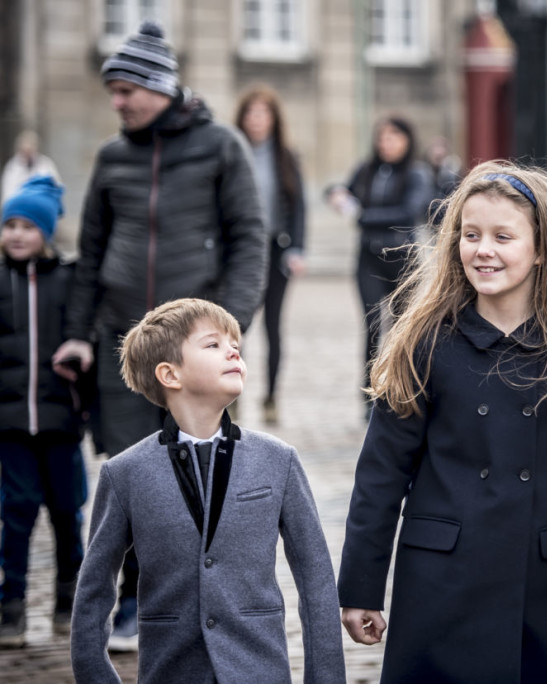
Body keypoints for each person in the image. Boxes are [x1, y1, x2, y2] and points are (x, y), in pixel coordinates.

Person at [337, 161, 547, 682]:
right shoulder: (424, 343)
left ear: (541, 249)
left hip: (545, 581)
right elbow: (380, 475)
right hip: (443, 578)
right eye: (471, 235)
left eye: (502, 236)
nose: (482, 249)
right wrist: (360, 587)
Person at [51, 20, 266, 651]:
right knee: (134, 476)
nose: (117, 102)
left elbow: (249, 242)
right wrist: (78, 335)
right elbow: (89, 253)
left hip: (195, 349)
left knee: (197, 475)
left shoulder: (220, 147)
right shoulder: (113, 157)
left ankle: (205, 605)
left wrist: (224, 330)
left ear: (161, 87)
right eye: (112, 92)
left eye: (126, 90)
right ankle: (134, 604)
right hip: (124, 345)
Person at [70, 298, 346, 682]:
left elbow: (316, 578)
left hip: (259, 669)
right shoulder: (125, 473)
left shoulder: (278, 460)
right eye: (213, 344)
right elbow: (93, 592)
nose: (233, 350)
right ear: (170, 374)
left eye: (235, 343)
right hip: (171, 670)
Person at [0, 177, 87, 647]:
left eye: (27, 226)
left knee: (66, 512)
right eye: (9, 224)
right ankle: (10, 603)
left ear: (46, 232)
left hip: (61, 423)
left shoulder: (69, 279)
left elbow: (86, 341)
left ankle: (67, 598)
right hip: (11, 425)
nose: (16, 234)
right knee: (15, 512)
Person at [325, 116, 432, 399]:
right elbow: (342, 190)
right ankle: (368, 390)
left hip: (402, 259)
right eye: (382, 138)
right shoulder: (367, 169)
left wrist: (362, 216)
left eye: (394, 138)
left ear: (407, 140)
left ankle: (399, 387)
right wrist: (335, 194)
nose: (386, 144)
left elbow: (409, 212)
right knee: (371, 326)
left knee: (401, 329)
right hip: (368, 258)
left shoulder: (416, 173)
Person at [235, 84, 307, 425]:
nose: (256, 121)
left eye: (263, 114)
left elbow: (299, 206)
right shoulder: (232, 152)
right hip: (240, 252)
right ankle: (232, 396)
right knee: (235, 328)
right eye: (251, 113)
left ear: (274, 119)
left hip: (276, 251)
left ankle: (271, 397)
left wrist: (298, 248)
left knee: (273, 328)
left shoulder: (285, 156)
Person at [1, 130, 61, 204]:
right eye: (25, 151)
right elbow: (8, 192)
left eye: (30, 150)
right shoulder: (12, 167)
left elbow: (55, 187)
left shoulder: (46, 164)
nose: (27, 154)